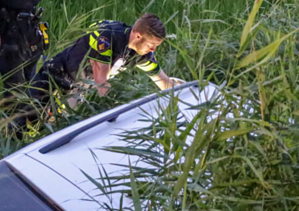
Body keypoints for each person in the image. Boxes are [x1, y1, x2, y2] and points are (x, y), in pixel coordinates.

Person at [14, 13, 185, 131]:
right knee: (25, 123)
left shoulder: (142, 53)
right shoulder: (107, 38)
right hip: (55, 77)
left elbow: (164, 81)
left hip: (77, 88)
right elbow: (101, 82)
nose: (153, 49)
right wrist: (118, 109)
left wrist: (186, 95)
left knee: (61, 128)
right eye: (151, 44)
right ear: (138, 36)